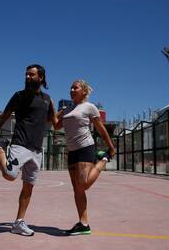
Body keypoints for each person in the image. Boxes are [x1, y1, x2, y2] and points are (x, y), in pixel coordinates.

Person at [0, 64, 55, 236]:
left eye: (31, 75)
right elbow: (4, 115)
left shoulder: (48, 99)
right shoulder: (19, 96)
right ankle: (0, 147)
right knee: (10, 175)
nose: (27, 77)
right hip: (20, 144)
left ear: (41, 78)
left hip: (37, 149)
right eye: (26, 74)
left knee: (28, 187)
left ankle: (19, 222)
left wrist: (71, 111)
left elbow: (54, 121)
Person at [52, 79, 115, 236]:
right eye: (71, 88)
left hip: (85, 147)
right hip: (72, 151)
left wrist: (110, 146)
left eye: (75, 87)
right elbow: (56, 125)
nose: (72, 90)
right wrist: (54, 110)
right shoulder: (68, 109)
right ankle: (83, 224)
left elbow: (100, 128)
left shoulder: (89, 107)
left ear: (84, 91)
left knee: (84, 184)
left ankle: (103, 160)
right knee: (77, 190)